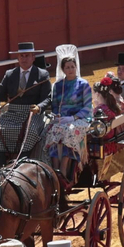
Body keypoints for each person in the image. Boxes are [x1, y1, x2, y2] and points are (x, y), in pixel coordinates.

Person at [0, 41, 50, 167]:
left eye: (27, 55)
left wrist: (39, 107)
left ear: (33, 57)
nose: (24, 58)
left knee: (31, 131)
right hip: (12, 112)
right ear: (17, 58)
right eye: (21, 56)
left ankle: (22, 165)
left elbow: (48, 98)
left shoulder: (42, 74)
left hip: (32, 113)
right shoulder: (10, 74)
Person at [45, 46, 92, 189]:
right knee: (51, 130)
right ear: (63, 69)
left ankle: (64, 168)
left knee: (70, 131)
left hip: (79, 119)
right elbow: (54, 105)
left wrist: (74, 118)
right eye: (67, 67)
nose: (70, 69)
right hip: (61, 119)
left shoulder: (83, 84)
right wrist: (57, 115)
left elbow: (88, 106)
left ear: (76, 67)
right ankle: (54, 168)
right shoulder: (58, 85)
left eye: (72, 66)